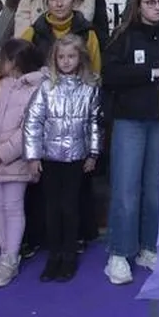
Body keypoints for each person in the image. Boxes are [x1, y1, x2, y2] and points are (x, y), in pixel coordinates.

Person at [102, 0, 159, 286]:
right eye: (150, 2)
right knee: (126, 189)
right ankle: (119, 253)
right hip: (129, 120)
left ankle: (149, 248)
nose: (157, 7)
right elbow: (110, 75)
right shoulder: (124, 35)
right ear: (138, 5)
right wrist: (150, 74)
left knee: (155, 190)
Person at [22, 35, 102, 283]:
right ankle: (53, 255)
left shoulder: (90, 88)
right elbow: (32, 122)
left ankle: (69, 255)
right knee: (52, 207)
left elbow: (95, 123)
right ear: (54, 59)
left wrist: (93, 153)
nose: (66, 61)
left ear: (80, 58)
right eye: (61, 57)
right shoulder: (46, 88)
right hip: (50, 158)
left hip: (77, 158)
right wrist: (33, 156)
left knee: (70, 207)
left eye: (71, 56)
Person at [0, 39, 44, 288]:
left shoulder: (35, 90)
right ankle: (4, 254)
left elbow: (30, 128)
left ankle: (11, 257)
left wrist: (3, 152)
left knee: (13, 207)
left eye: (2, 58)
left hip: (15, 162)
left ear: (14, 62)